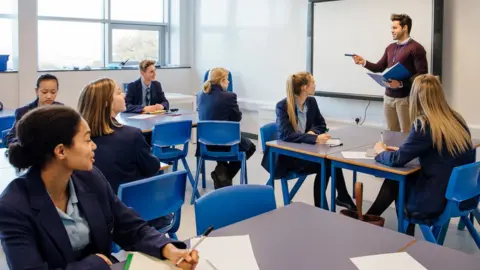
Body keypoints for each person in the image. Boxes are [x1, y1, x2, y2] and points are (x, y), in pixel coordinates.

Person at [0, 106, 198, 269]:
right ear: (61, 151)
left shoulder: (90, 177)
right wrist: (93, 264)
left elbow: (128, 225)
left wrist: (167, 248)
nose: (94, 146)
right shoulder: (13, 206)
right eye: (87, 140)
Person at [367, 75, 476, 234]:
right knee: (400, 180)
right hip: (463, 197)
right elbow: (438, 153)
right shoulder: (456, 120)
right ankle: (370, 218)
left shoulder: (425, 124)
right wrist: (403, 151)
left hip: (436, 201)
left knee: (398, 180)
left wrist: (381, 151)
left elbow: (397, 160)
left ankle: (371, 220)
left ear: (416, 98)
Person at [78, 78, 173, 231]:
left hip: (93, 219)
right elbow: (152, 167)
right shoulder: (131, 135)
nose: (123, 95)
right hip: (133, 216)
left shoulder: (78, 142)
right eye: (118, 92)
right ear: (107, 103)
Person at [261, 71, 356, 210]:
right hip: (287, 158)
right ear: (305, 87)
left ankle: (333, 200)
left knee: (331, 162)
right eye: (313, 83)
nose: (315, 85)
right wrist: (314, 138)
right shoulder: (282, 106)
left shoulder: (311, 102)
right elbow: (286, 135)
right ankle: (331, 202)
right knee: (327, 165)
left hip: (305, 152)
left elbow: (321, 124)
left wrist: (312, 133)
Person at [352, 13, 428, 133]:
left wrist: (401, 84)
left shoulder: (416, 48)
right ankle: (394, 153)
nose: (391, 31)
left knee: (406, 133)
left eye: (395, 28)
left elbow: (422, 75)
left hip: (406, 98)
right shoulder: (390, 47)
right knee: (391, 133)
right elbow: (380, 67)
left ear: (405, 28)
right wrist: (364, 62)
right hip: (388, 97)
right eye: (391, 28)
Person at [197, 67, 256, 189]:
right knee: (250, 147)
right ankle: (224, 175)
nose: (228, 82)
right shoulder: (229, 96)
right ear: (221, 81)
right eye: (227, 80)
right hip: (226, 144)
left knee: (221, 140)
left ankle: (221, 172)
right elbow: (237, 118)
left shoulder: (200, 95)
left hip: (205, 144)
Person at [4, 74, 63, 147]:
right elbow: (9, 138)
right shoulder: (23, 112)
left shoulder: (61, 110)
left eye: (53, 92)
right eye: (44, 92)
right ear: (36, 91)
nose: (49, 96)